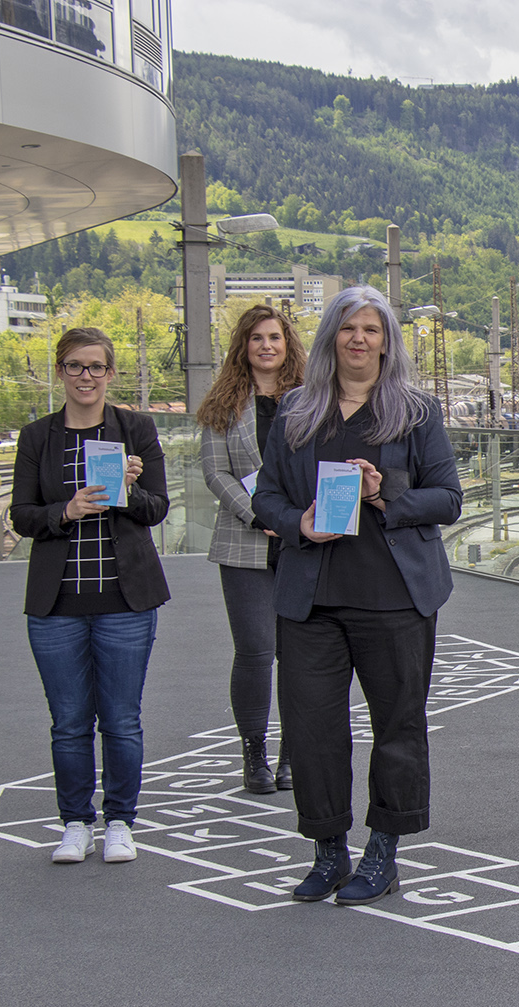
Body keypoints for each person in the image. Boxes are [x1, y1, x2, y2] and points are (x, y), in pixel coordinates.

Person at [251, 287, 463, 905]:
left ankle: (383, 851)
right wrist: (298, 523)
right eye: (348, 328)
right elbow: (265, 496)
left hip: (393, 597)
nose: (359, 339)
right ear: (330, 338)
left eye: (372, 329)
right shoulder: (295, 410)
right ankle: (327, 850)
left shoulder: (416, 412)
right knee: (313, 729)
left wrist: (383, 493)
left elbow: (446, 498)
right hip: (312, 597)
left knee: (397, 726)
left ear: (387, 340)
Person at [10, 327, 170, 865]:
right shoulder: (37, 437)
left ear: (111, 374)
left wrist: (126, 492)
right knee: (70, 721)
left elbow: (157, 509)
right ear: (61, 371)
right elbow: (22, 515)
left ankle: (121, 821)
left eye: (96, 367)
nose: (86, 376)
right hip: (58, 604)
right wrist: (66, 511)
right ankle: (75, 823)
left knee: (122, 719)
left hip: (125, 600)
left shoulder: (137, 429)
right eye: (76, 366)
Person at [196, 305, 306, 794]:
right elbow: (214, 472)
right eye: (257, 338)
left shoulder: (309, 400)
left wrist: (293, 518)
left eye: (275, 338)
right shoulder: (223, 403)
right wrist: (259, 514)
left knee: (299, 653)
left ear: (288, 345)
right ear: (243, 346)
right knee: (256, 652)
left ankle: (291, 755)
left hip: (302, 541)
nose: (266, 346)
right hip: (244, 544)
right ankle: (254, 754)